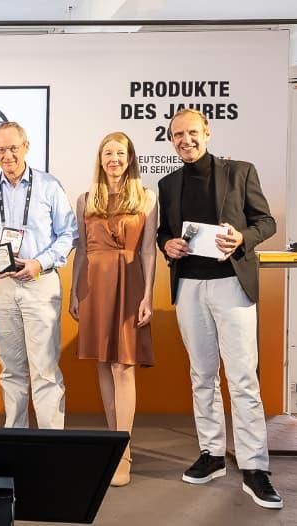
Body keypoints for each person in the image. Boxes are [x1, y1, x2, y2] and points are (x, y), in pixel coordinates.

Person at [157, 109, 282, 509]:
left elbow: (266, 222)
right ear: (171, 139)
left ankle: (254, 467)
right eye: (177, 135)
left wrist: (240, 238)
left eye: (192, 132)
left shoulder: (240, 171)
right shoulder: (167, 183)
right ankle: (211, 454)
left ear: (207, 133)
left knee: (243, 378)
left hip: (231, 284)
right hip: (189, 287)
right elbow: (164, 232)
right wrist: (167, 246)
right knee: (202, 375)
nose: (185, 140)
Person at [0, 121, 77, 430]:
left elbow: (69, 234)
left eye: (13, 148)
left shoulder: (48, 186)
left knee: (44, 368)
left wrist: (40, 263)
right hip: (1, 284)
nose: (7, 155)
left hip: (40, 283)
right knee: (11, 367)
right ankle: (15, 436)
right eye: (1, 149)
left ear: (26, 147)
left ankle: (50, 442)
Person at [69, 132, 157, 487]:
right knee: (104, 363)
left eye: (120, 153)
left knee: (124, 365)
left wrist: (148, 294)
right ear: (100, 159)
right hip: (94, 286)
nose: (114, 159)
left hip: (130, 283)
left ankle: (125, 450)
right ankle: (112, 442)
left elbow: (149, 250)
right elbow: (82, 251)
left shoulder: (146, 197)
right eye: (108, 153)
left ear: (130, 157)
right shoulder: (86, 199)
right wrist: (75, 291)